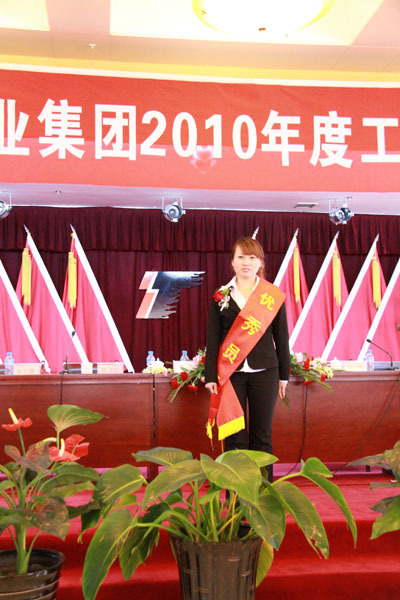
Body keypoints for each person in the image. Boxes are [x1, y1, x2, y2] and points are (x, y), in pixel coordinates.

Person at [204, 236, 290, 480]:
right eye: (241, 257)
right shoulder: (221, 296)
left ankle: (263, 491)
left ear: (260, 262)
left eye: (252, 257)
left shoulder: (271, 296)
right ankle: (236, 494)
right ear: (232, 262)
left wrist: (284, 376)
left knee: (262, 435)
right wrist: (210, 376)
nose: (246, 262)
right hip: (232, 375)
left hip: (266, 373)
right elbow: (213, 338)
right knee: (235, 437)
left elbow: (281, 337)